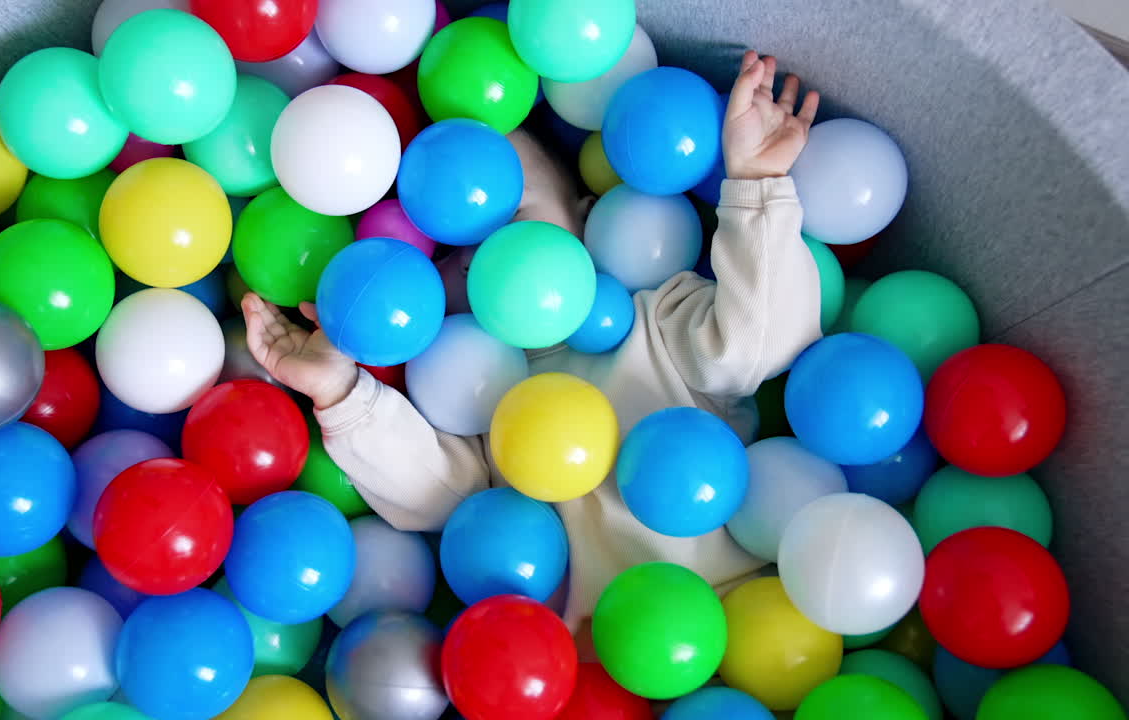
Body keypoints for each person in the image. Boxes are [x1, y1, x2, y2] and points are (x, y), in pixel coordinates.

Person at [242, 51, 822, 632]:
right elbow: (434, 495)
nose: (485, 256)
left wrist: (758, 185)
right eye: (443, 255)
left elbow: (761, 341)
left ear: (590, 217)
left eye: (509, 216)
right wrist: (341, 388)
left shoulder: (659, 321)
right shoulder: (469, 400)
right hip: (600, 657)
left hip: (743, 608)